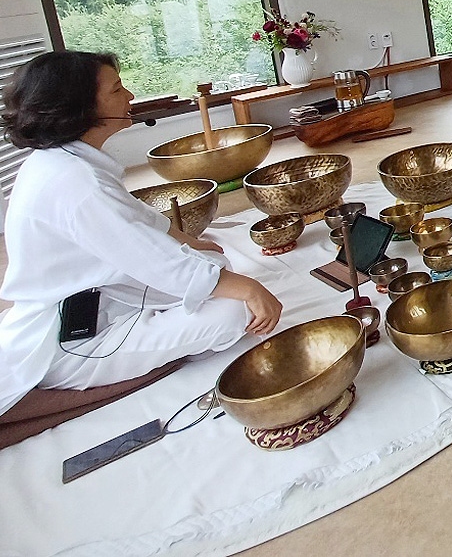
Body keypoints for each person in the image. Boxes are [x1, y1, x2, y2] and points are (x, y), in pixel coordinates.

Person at [0, 51, 283, 418]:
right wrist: (249, 289)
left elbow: (136, 221)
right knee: (236, 310)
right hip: (70, 340)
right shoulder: (76, 183)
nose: (130, 95)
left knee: (212, 261)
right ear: (79, 108)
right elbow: (154, 259)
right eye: (117, 89)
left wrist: (193, 244)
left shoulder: (62, 162)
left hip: (102, 303)